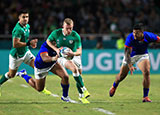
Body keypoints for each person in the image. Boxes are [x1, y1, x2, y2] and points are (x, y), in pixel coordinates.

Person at [0, 10, 51, 96]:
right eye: (23, 17)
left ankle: (40, 87)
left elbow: (25, 39)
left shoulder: (27, 26)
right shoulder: (17, 29)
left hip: (26, 52)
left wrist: (30, 44)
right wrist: (28, 43)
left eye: (27, 17)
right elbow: (15, 44)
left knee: (38, 66)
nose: (25, 19)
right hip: (16, 56)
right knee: (11, 75)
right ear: (19, 18)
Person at [109, 23, 160, 102]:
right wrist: (130, 65)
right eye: (133, 32)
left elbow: (158, 39)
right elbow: (126, 53)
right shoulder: (130, 37)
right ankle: (114, 86)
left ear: (142, 32)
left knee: (146, 72)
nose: (135, 35)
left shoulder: (149, 36)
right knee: (121, 76)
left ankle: (145, 97)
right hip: (130, 56)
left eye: (137, 33)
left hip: (142, 55)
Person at [47, 18, 90, 103]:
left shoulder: (75, 35)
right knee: (74, 69)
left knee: (79, 76)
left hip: (74, 55)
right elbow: (48, 41)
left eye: (71, 28)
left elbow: (79, 51)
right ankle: (84, 89)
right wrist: (56, 49)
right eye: (67, 28)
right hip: (62, 57)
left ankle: (81, 95)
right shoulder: (56, 33)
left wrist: (73, 54)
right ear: (63, 26)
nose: (69, 30)